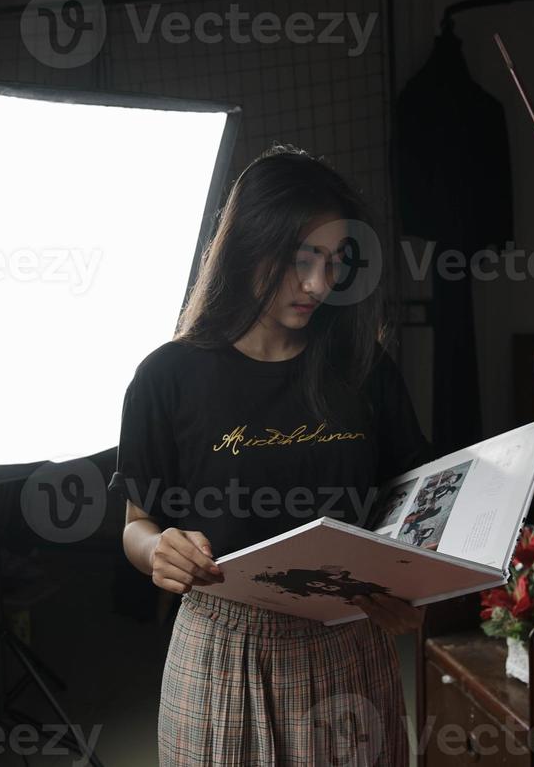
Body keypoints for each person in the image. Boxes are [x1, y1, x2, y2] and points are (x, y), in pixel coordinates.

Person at [108, 143, 431, 766]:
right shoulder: (166, 376)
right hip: (222, 650)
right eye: (300, 259)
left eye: (336, 261)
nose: (320, 284)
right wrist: (158, 552)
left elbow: (410, 501)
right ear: (248, 246)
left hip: (348, 643)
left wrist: (408, 579)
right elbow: (137, 526)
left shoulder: (363, 371)